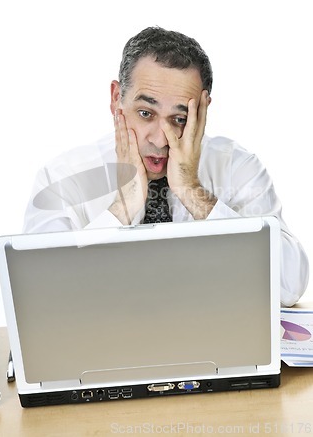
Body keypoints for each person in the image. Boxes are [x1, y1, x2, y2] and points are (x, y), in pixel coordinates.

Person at [23, 26, 309, 307]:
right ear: (116, 100)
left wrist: (192, 191)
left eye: (179, 119)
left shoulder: (237, 166)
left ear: (203, 109)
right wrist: (125, 206)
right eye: (146, 113)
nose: (160, 140)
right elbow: (42, 296)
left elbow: (289, 285)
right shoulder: (62, 177)